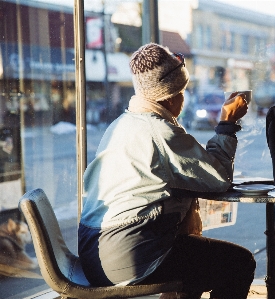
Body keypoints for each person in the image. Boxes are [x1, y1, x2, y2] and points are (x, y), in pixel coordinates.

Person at [78, 43, 255, 299]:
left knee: (196, 258)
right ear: (172, 96)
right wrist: (227, 124)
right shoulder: (160, 131)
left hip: (94, 253)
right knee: (239, 263)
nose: (184, 98)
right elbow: (218, 179)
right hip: (128, 255)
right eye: (182, 92)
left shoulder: (122, 124)